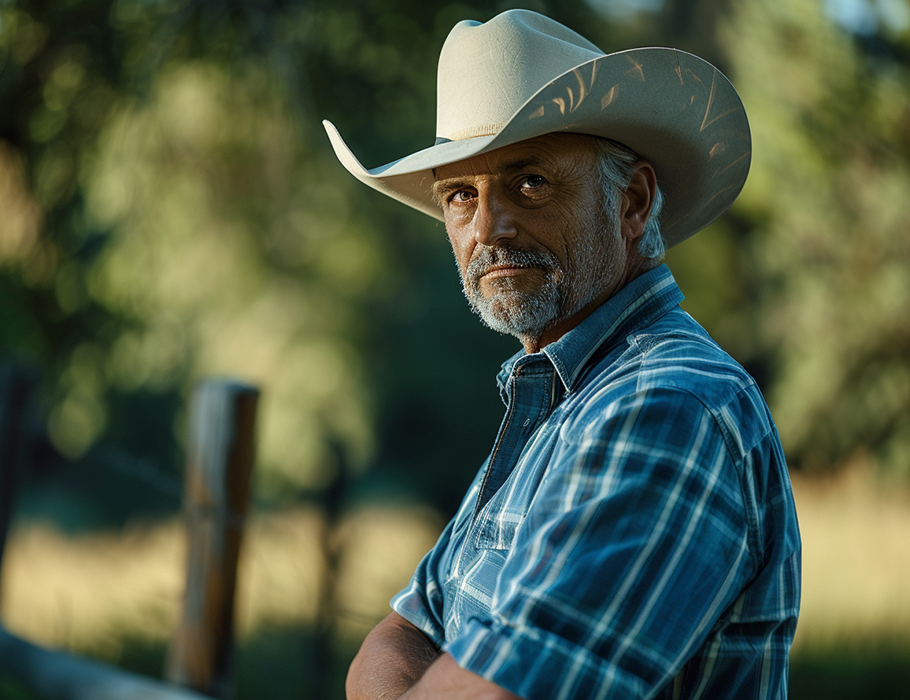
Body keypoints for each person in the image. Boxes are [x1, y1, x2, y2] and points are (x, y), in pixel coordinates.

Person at [324, 9, 801, 700]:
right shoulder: (559, 401)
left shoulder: (668, 407)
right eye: (461, 194)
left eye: (530, 183)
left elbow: (515, 686)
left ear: (633, 202)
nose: (489, 227)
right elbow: (400, 637)